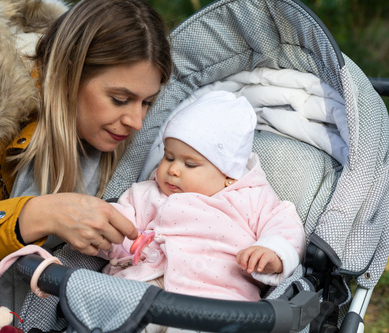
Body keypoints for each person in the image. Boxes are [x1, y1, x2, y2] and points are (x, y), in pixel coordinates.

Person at [0, 0, 172, 331]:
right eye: (120, 100)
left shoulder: (99, 125)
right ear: (69, 71)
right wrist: (36, 215)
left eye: (147, 102)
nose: (136, 121)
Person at [100, 91, 305, 307]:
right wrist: (105, 234)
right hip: (140, 284)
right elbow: (117, 225)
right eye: (169, 157)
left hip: (214, 300)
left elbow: (285, 225)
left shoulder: (251, 197)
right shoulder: (145, 193)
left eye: (189, 164)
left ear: (227, 174)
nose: (173, 169)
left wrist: (273, 252)